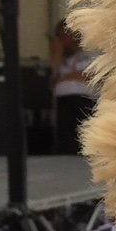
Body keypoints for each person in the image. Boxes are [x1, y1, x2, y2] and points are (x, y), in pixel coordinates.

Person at [50, 19, 98, 155]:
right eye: (64, 36)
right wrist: (56, 56)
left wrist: (64, 78)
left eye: (72, 34)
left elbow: (89, 76)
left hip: (85, 101)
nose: (69, 40)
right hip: (63, 105)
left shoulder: (90, 55)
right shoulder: (58, 60)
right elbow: (52, 82)